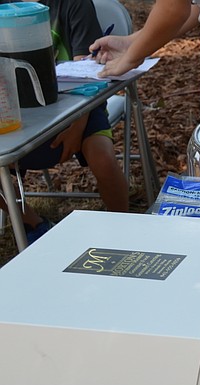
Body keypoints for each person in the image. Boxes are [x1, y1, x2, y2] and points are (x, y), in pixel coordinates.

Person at [0, 0, 130, 244]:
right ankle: (33, 224)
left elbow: (87, 71)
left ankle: (125, 227)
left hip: (81, 107)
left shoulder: (74, 4)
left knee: (102, 158)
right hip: (19, 113)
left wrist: (76, 128)